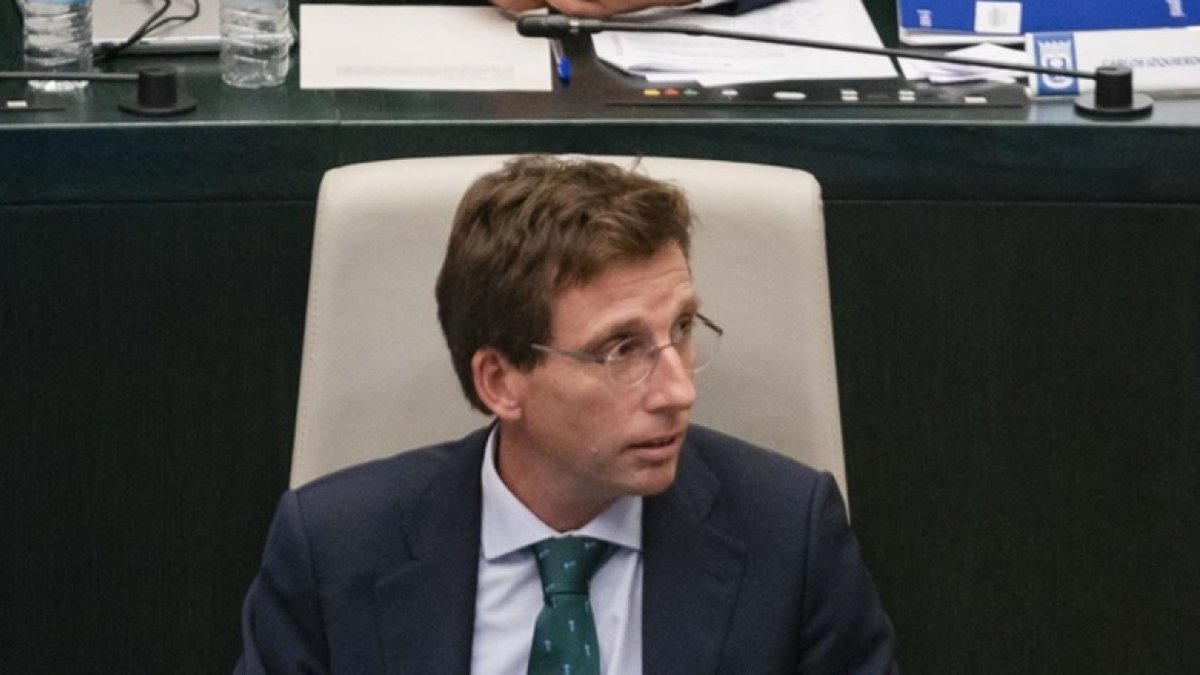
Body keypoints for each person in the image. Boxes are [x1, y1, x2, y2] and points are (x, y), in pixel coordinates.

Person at [235, 155, 899, 674]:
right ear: (501, 381)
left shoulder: (791, 537)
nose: (678, 389)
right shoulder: (332, 552)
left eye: (684, 327)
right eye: (620, 349)